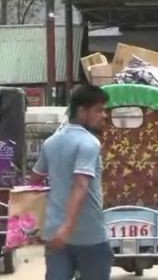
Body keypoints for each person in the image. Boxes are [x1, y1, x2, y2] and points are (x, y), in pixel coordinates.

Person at [30, 85, 112, 280]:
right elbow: (81, 184)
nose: (104, 115)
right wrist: (67, 226)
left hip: (55, 236)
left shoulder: (51, 142)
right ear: (82, 111)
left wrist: (34, 225)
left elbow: (33, 182)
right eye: (99, 110)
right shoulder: (89, 143)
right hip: (89, 236)